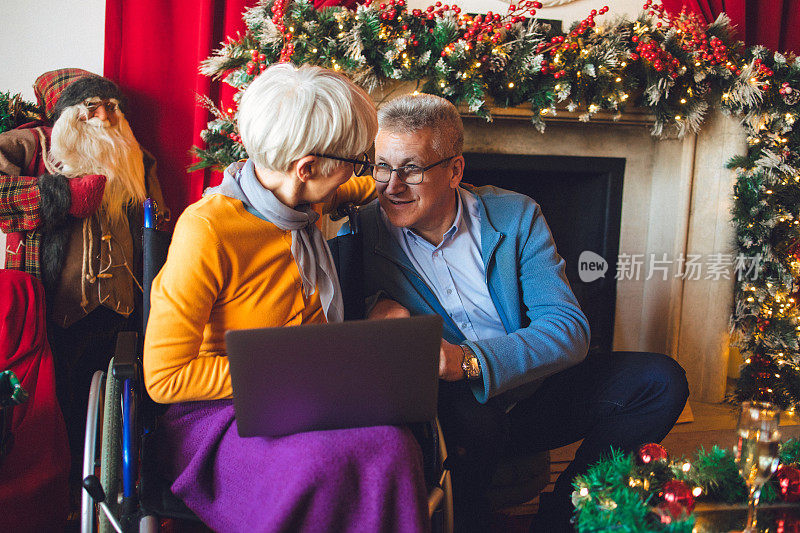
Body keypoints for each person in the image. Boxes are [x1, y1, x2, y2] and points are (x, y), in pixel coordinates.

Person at [354, 93, 690, 532]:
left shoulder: (515, 215)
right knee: (470, 425)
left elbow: (568, 329)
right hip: (455, 414)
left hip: (534, 394)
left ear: (455, 170)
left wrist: (468, 361)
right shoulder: (359, 231)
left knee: (661, 381)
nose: (392, 185)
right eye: (382, 166)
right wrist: (372, 306)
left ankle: (567, 514)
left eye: (412, 168)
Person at [143, 64, 429, 533]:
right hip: (221, 414)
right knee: (322, 465)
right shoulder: (210, 230)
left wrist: (425, 182)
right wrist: (299, 372)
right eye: (353, 160)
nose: (358, 170)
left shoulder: (302, 199)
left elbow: (368, 185)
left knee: (393, 446)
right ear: (307, 168)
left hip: (315, 394)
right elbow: (165, 377)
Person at [0, 68, 168, 486]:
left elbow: (158, 227)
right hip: (52, 314)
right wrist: (59, 195)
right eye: (92, 107)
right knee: (57, 416)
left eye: (112, 106)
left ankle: (112, 491)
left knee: (118, 413)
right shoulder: (30, 144)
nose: (106, 116)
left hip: (123, 311)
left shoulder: (134, 155)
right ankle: (62, 498)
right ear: (67, 115)